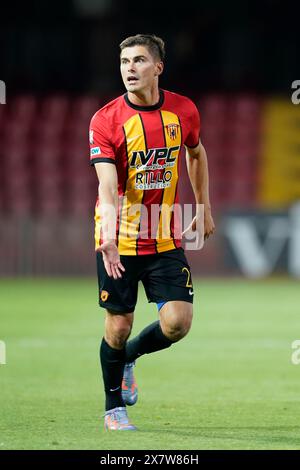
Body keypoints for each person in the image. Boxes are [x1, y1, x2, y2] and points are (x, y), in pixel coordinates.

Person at [89, 34, 215, 431]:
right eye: (125, 61)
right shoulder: (105, 119)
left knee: (178, 322)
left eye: (139, 60)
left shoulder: (183, 110)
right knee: (119, 324)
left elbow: (195, 152)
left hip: (164, 234)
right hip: (120, 237)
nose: (130, 68)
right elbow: (106, 185)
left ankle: (130, 357)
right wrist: (108, 233)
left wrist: (205, 205)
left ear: (158, 67)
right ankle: (113, 409)